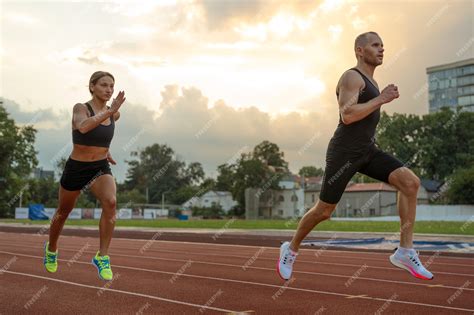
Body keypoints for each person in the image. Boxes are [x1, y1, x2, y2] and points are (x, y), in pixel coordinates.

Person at [277, 32, 433, 281]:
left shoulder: (371, 82)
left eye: (383, 45)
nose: (381, 49)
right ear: (360, 50)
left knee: (410, 183)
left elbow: (364, 122)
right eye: (375, 45)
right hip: (344, 153)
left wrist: (376, 111)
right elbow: (347, 115)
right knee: (324, 211)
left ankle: (405, 251)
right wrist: (382, 99)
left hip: (367, 151)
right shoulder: (352, 77)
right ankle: (291, 248)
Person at [44, 71, 126, 281]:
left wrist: (105, 151)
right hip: (77, 168)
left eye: (111, 86)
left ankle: (102, 256)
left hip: (99, 167)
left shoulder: (113, 113)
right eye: (104, 85)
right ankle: (52, 249)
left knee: (111, 202)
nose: (109, 90)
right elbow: (84, 126)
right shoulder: (81, 108)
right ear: (92, 86)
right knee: (64, 211)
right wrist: (109, 112)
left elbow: (101, 136)